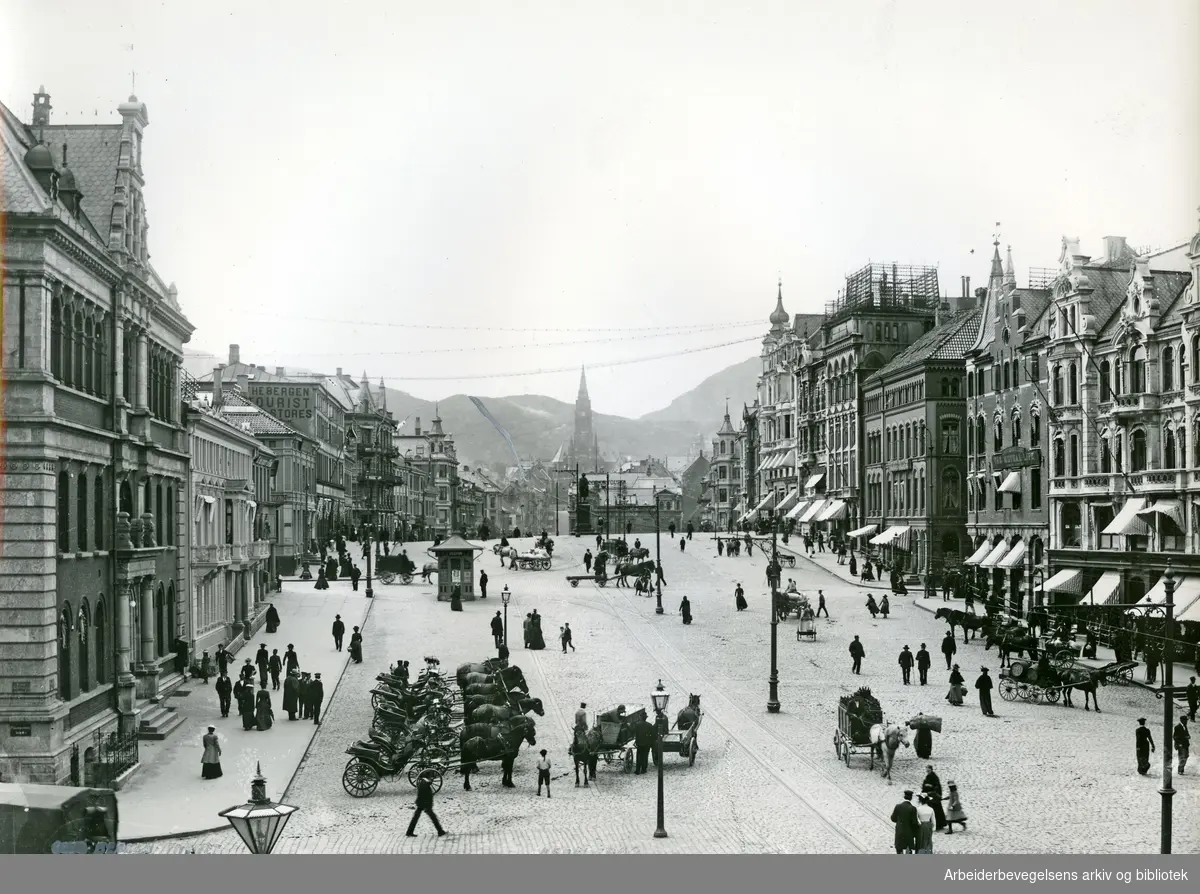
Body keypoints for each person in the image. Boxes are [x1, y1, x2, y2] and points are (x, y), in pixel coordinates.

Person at [406, 772, 447, 837]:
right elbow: (425, 794)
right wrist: (427, 804)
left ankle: (409, 831)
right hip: (425, 803)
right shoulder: (424, 783)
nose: (432, 778)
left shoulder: (423, 782)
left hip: (422, 803)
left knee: (416, 817)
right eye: (431, 777)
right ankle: (440, 831)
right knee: (433, 817)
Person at [922, 766, 947, 831]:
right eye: (927, 770)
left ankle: (938, 825)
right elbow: (924, 785)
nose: (927, 771)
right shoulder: (928, 777)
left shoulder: (934, 777)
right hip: (929, 797)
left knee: (936, 811)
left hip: (934, 797)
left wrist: (930, 787)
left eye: (928, 770)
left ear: (931, 770)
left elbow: (937, 787)